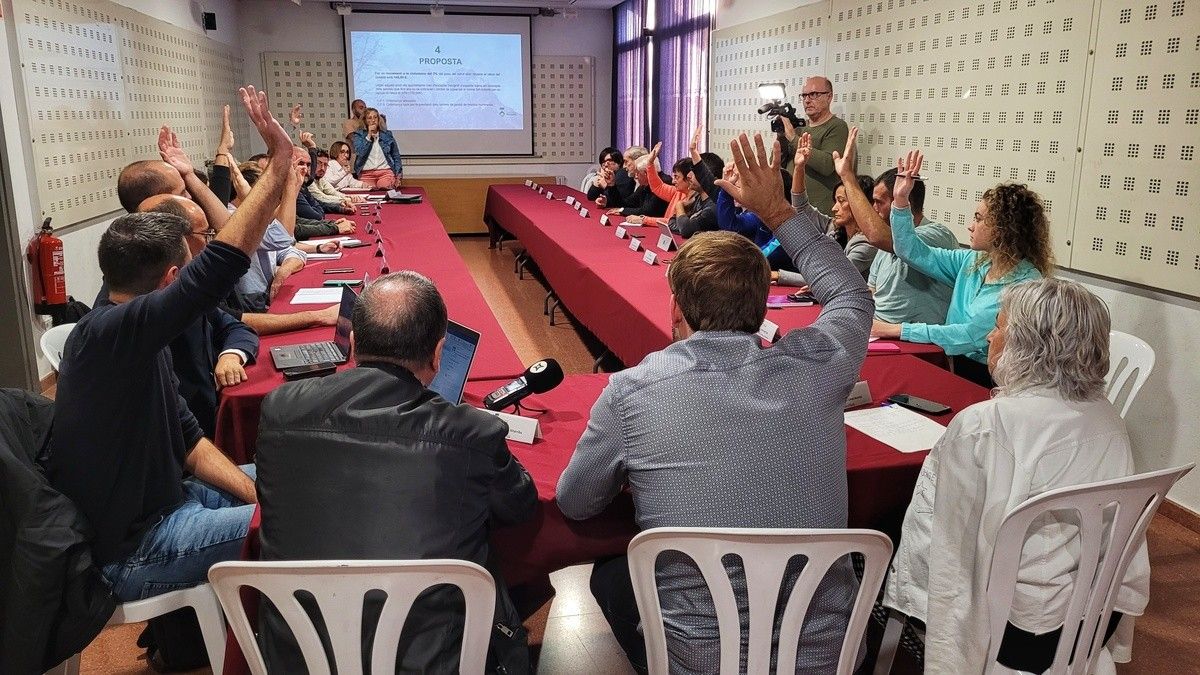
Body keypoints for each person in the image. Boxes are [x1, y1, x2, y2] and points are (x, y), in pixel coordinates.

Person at [557, 132, 873, 674]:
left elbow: (576, 502)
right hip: (824, 657)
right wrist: (778, 212)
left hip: (700, 660)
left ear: (676, 307)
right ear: (762, 304)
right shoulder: (818, 366)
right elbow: (849, 294)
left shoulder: (633, 390)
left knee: (610, 574)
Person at [44, 86, 290, 602]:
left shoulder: (135, 333)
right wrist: (279, 165)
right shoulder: (110, 336)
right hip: (134, 549)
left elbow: (192, 442)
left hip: (172, 499)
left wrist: (261, 496)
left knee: (302, 479)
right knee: (302, 526)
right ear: (172, 279)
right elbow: (222, 266)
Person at [255, 271, 538, 672]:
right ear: (439, 355)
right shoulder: (471, 431)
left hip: (299, 655)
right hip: (433, 661)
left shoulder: (279, 408)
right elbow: (520, 507)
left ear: (352, 344)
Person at [884, 278, 1149, 673]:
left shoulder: (985, 426)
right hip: (1091, 619)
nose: (991, 335)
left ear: (1027, 346)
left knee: (882, 547)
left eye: (1000, 326)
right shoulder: (1108, 418)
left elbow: (943, 554)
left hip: (1012, 631)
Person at [870, 149, 1051, 386]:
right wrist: (901, 201)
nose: (970, 226)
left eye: (978, 218)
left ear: (1003, 228)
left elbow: (968, 336)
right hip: (955, 366)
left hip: (992, 380)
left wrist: (895, 330)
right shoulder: (972, 261)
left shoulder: (1025, 284)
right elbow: (910, 251)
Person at [108, 194, 260, 439]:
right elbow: (184, 440)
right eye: (206, 234)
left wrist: (232, 354)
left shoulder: (157, 296)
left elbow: (233, 326)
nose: (209, 242)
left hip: (198, 431)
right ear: (173, 275)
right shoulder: (130, 327)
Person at [832, 128, 959, 327]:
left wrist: (848, 177)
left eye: (878, 202)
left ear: (903, 200)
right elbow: (872, 292)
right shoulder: (884, 244)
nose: (873, 210)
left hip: (917, 344)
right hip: (878, 333)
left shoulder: (938, 235)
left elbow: (882, 237)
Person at [774, 133, 879, 285]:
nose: (834, 208)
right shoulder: (836, 227)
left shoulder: (867, 243)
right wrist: (799, 167)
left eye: (841, 201)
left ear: (860, 203)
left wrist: (779, 275)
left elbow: (833, 277)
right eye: (835, 201)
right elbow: (801, 208)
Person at [778, 76, 850, 216]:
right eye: (804, 95)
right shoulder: (799, 128)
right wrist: (781, 137)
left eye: (814, 94)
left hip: (818, 213)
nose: (807, 100)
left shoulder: (837, 126)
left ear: (829, 97)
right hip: (790, 207)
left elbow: (828, 165)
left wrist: (793, 138)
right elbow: (778, 164)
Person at [606, 153, 670, 220]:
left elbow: (648, 212)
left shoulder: (664, 183)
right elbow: (627, 203)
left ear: (646, 173)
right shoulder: (644, 185)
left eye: (638, 173)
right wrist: (612, 185)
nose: (636, 176)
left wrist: (622, 210)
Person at [352, 107, 403, 189]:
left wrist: (398, 175)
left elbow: (396, 156)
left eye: (375, 117)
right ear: (365, 120)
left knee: (384, 187)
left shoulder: (387, 135)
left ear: (379, 119)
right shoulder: (359, 135)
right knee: (368, 191)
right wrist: (368, 136)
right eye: (369, 118)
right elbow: (360, 153)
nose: (373, 120)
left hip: (385, 172)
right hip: (366, 173)